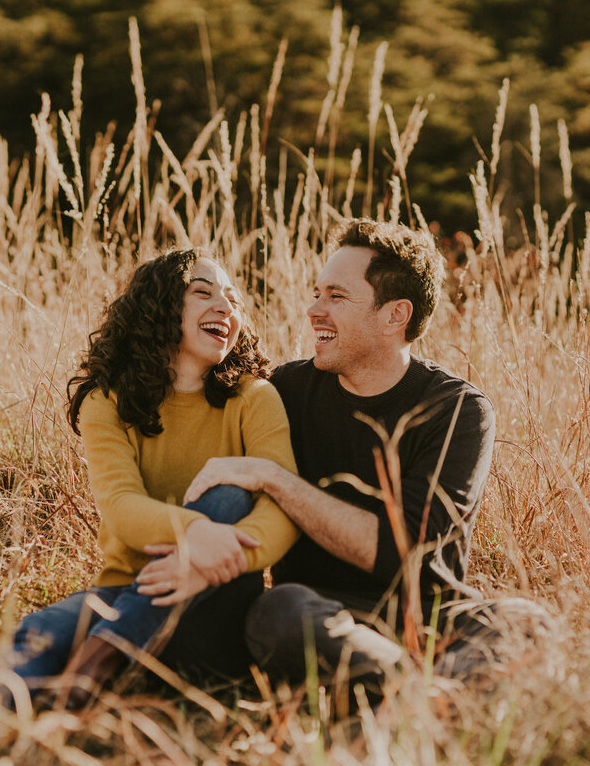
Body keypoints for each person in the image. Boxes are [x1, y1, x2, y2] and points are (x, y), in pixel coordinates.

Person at [143, 218, 496, 699]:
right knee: (277, 612)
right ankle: (428, 693)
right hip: (319, 616)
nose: (313, 310)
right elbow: (187, 386)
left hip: (433, 622)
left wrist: (273, 478)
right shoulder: (284, 391)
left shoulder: (457, 409)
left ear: (395, 315)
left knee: (525, 621)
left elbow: (402, 553)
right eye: (317, 292)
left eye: (337, 297)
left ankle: (413, 690)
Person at [0, 249, 298, 710]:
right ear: (158, 307)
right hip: (122, 593)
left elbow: (283, 508)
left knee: (230, 492)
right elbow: (121, 505)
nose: (225, 308)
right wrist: (196, 533)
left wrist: (211, 555)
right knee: (41, 635)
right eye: (203, 293)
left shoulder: (254, 398)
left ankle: (98, 663)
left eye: (233, 301)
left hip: (217, 603)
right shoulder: (108, 400)